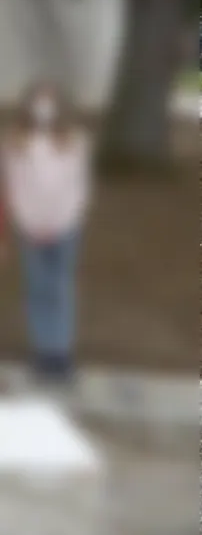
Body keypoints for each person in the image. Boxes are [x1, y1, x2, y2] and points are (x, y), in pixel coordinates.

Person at [0, 82, 92, 384]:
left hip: (65, 227)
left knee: (60, 288)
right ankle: (44, 353)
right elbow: (14, 187)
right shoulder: (14, 144)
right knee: (37, 289)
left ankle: (61, 353)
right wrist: (32, 223)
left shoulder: (75, 141)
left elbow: (77, 188)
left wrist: (58, 222)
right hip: (30, 229)